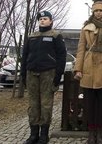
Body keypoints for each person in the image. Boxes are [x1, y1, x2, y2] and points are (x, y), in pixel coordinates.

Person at [73, 1, 102, 144]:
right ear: (92, 13)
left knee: (101, 103)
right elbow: (81, 49)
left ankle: (99, 132)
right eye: (96, 11)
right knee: (89, 103)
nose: (98, 13)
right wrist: (78, 69)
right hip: (88, 66)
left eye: (101, 11)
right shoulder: (86, 28)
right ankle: (91, 132)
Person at [21, 11, 67, 144]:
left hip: (48, 73)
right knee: (33, 105)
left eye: (45, 18)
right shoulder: (32, 36)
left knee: (46, 105)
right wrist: (23, 73)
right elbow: (24, 56)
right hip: (31, 74)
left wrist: (58, 76)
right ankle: (33, 135)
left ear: (51, 21)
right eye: (40, 19)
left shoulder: (55, 36)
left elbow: (61, 57)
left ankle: (43, 135)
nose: (42, 21)